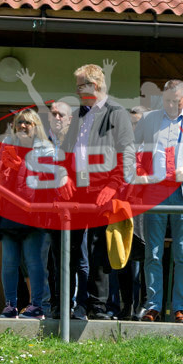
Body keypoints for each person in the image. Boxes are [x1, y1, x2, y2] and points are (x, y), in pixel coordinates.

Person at [60, 62, 135, 320]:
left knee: (98, 249)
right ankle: (69, 304)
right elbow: (67, 151)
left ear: (95, 85)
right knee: (70, 248)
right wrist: (65, 178)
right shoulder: (78, 114)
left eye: (81, 85)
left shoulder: (117, 113)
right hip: (77, 190)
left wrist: (114, 186)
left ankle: (98, 306)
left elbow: (127, 151)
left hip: (104, 189)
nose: (78, 90)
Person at [133, 79, 183, 322]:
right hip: (154, 192)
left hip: (182, 193)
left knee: (182, 253)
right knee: (152, 252)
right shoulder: (149, 120)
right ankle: (153, 305)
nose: (171, 105)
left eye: (176, 101)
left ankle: (180, 309)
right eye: (167, 101)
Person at [0, 110, 51, 319]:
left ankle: (37, 306)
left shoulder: (46, 148)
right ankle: (10, 306)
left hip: (35, 211)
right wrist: (1, 169)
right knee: (9, 261)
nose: (23, 126)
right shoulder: (8, 146)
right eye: (19, 123)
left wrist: (22, 167)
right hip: (9, 211)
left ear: (36, 126)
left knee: (34, 261)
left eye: (28, 122)